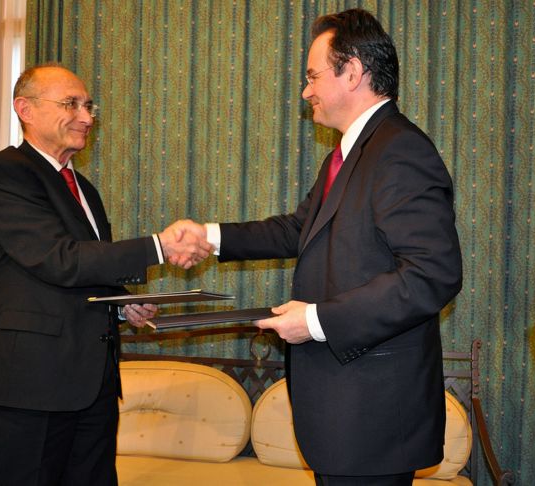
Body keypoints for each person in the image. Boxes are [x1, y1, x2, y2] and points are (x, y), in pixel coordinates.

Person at [174, 9, 463, 486]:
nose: (305, 91)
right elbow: (297, 229)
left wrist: (314, 321)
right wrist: (210, 237)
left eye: (312, 76)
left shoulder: (400, 150)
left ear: (353, 72)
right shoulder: (349, 153)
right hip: (345, 416)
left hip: (373, 418)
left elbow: (432, 275)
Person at [0, 64, 210, 486]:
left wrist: (122, 304)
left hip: (92, 385)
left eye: (89, 106)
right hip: (27, 386)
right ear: (25, 109)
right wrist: (159, 247)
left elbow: (84, 271)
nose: (87, 117)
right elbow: (58, 258)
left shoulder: (85, 189)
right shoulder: (4, 172)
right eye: (71, 104)